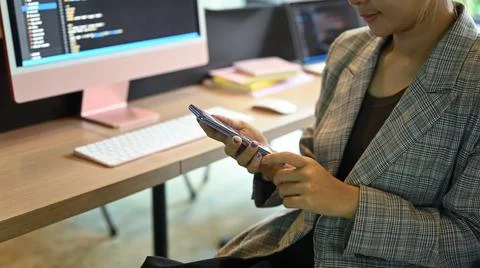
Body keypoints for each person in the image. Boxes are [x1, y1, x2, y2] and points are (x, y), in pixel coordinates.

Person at [142, 0, 480, 267]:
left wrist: (349, 202)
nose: (354, 1)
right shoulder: (349, 49)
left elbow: (468, 243)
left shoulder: (472, 79)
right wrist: (270, 163)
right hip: (292, 244)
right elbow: (320, 162)